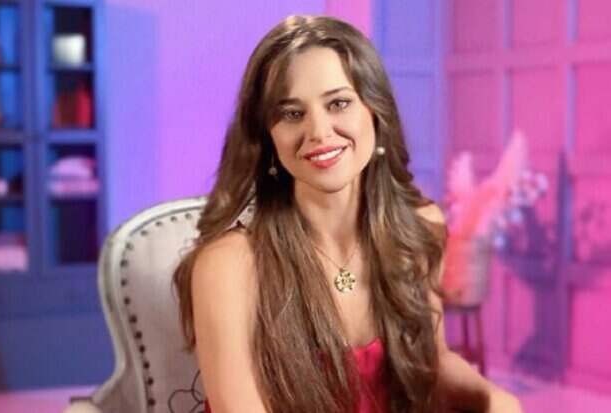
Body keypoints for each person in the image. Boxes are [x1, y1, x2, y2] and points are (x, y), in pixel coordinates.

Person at [173, 15, 522, 413]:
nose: (319, 132)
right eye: (292, 114)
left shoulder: (418, 227)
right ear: (268, 137)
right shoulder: (228, 265)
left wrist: (491, 396)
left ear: (375, 111)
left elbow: (432, 361)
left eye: (338, 103)